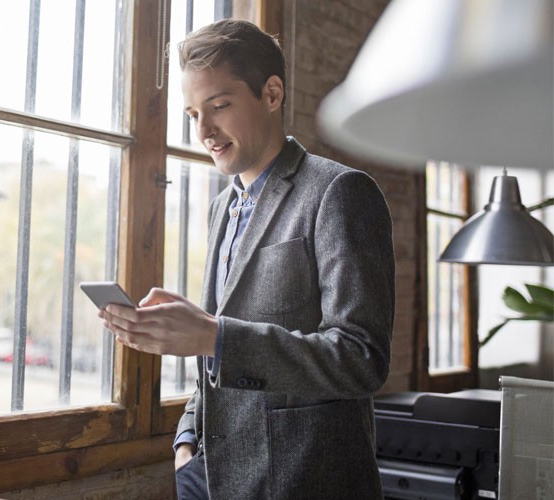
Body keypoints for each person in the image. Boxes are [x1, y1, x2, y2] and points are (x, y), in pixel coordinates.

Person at [100, 18, 394, 500]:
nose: (204, 131)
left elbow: (361, 358)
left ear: (272, 94)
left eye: (219, 106)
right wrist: (187, 439)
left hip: (304, 481)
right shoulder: (222, 208)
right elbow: (219, 350)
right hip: (208, 476)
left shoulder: (339, 193)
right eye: (193, 113)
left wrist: (213, 335)